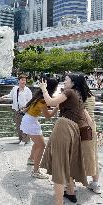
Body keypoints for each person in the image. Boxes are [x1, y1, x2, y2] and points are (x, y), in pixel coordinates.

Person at [39, 74, 92, 205]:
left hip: (63, 128)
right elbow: (86, 119)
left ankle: (58, 202)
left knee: (59, 165)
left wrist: (44, 89)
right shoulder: (78, 95)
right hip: (73, 130)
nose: (64, 81)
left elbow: (50, 102)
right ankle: (71, 193)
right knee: (67, 163)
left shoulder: (68, 92)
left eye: (66, 80)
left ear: (72, 83)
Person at [20, 78, 59, 179]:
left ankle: (31, 159)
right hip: (31, 122)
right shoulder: (43, 100)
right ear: (53, 88)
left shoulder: (39, 95)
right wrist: (57, 108)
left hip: (29, 120)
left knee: (38, 143)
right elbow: (48, 116)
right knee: (41, 145)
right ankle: (35, 171)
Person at [78, 75, 101, 194]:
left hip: (83, 128)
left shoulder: (78, 97)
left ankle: (71, 186)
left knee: (75, 156)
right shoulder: (91, 95)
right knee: (93, 155)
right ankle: (96, 183)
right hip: (92, 128)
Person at [0, 74, 32, 144]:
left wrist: (26, 110)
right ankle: (20, 139)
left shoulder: (27, 90)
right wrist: (4, 97)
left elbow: (30, 102)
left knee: (24, 125)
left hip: (24, 110)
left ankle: (25, 140)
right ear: (18, 81)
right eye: (22, 80)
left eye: (25, 80)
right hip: (16, 110)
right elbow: (10, 95)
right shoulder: (15, 88)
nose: (23, 82)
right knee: (18, 126)